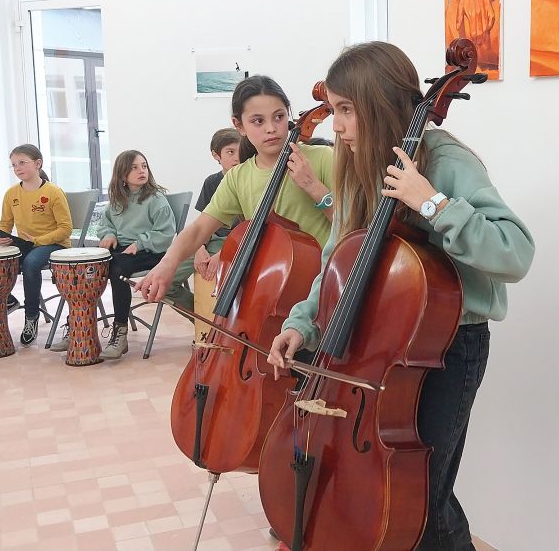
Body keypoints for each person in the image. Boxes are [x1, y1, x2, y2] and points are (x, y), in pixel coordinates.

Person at [265, 41, 534, 550]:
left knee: (421, 498)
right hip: (371, 340)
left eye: (346, 110)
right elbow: (337, 261)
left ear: (380, 105)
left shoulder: (445, 160)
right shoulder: (356, 163)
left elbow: (514, 253)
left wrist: (431, 203)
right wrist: (301, 323)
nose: (336, 126)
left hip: (444, 348)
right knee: (391, 491)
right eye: (335, 109)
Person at [136, 75, 335, 303]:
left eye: (279, 117)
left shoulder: (322, 158)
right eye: (258, 121)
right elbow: (199, 229)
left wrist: (313, 187)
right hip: (268, 290)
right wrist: (166, 264)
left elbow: (352, 226)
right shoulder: (237, 177)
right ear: (239, 125)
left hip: (321, 287)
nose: (271, 128)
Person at [83, 150, 176, 360]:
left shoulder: (156, 199)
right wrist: (108, 234)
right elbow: (106, 223)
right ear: (122, 174)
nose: (141, 171)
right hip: (123, 252)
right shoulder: (118, 200)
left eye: (144, 166)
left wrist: (140, 243)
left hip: (151, 252)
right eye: (134, 167)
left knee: (117, 270)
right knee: (92, 266)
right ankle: (79, 327)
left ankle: (120, 331)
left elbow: (166, 233)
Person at [0, 144, 73, 345]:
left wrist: (37, 241)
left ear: (38, 164)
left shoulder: (53, 192)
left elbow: (65, 229)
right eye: (14, 164)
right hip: (26, 244)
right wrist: (2, 238)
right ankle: (8, 299)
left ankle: (31, 317)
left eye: (22, 162)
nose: (17, 168)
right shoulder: (11, 194)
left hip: (54, 244)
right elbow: (5, 224)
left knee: (30, 263)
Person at [191, 128, 243, 284]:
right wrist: (199, 247)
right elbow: (203, 223)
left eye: (241, 151)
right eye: (230, 152)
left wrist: (223, 254)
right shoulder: (211, 182)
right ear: (216, 155)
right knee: (170, 276)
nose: (237, 157)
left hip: (235, 241)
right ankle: (193, 303)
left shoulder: (249, 181)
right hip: (212, 238)